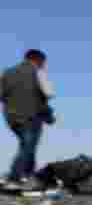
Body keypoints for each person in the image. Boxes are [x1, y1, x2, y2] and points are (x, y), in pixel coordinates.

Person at [0, 49, 56, 190]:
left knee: (27, 146)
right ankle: (14, 178)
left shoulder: (7, 72)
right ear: (38, 60)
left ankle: (29, 176)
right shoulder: (38, 72)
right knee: (28, 146)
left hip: (11, 117)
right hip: (31, 116)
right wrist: (49, 116)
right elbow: (48, 94)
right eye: (43, 62)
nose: (44, 65)